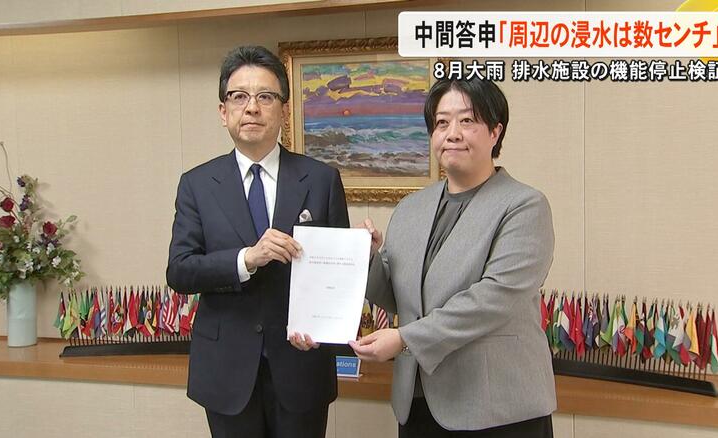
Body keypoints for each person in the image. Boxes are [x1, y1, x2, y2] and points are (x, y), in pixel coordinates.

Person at [350, 77, 556, 437]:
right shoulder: (411, 208)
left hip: (496, 409)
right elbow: (399, 297)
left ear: (495, 132)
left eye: (468, 120)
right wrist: (367, 258)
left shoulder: (524, 205)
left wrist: (405, 339)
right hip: (417, 402)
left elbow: (493, 299)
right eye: (442, 123)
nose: (453, 133)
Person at [166, 45, 349, 438]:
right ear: (223, 112)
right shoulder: (197, 184)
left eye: (265, 97)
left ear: (283, 111)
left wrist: (361, 255)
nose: (251, 108)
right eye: (239, 97)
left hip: (302, 365)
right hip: (226, 369)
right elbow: (180, 271)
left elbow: (337, 278)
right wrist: (246, 259)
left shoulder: (321, 179)